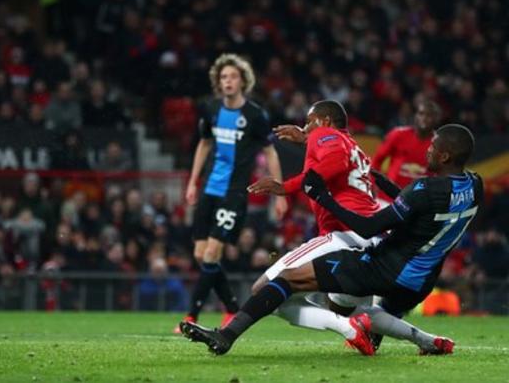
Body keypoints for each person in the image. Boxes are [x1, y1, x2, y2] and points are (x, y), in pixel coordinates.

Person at [182, 124, 480, 356]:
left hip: (383, 268)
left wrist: (324, 198)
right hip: (419, 283)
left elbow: (369, 227)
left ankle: (226, 336)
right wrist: (383, 182)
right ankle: (427, 341)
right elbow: (419, 207)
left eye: (433, 147)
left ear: (445, 156)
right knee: (358, 311)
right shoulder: (474, 185)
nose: (428, 150)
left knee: (288, 279)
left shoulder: (423, 189)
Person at [245, 100, 382, 353]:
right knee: (355, 307)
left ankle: (347, 327)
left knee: (264, 289)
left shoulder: (325, 134)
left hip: (341, 233)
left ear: (325, 121)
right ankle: (429, 340)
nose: (305, 127)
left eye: (309, 122)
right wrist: (307, 139)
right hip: (369, 236)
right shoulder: (354, 146)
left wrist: (284, 187)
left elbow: (333, 163)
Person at [177, 53, 288, 332]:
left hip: (235, 192)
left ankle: (191, 316)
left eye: (233, 77)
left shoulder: (254, 115)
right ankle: (231, 308)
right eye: (223, 77)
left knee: (212, 252)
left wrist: (280, 192)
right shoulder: (211, 109)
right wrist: (192, 182)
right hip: (209, 188)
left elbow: (270, 152)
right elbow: (204, 144)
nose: (228, 81)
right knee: (201, 255)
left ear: (243, 81)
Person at [372, 99, 442, 200]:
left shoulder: (439, 144)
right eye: (421, 114)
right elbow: (377, 160)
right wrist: (373, 184)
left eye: (429, 116)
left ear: (437, 119)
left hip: (418, 202)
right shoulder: (398, 134)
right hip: (387, 198)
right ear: (415, 116)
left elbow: (441, 174)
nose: (424, 118)